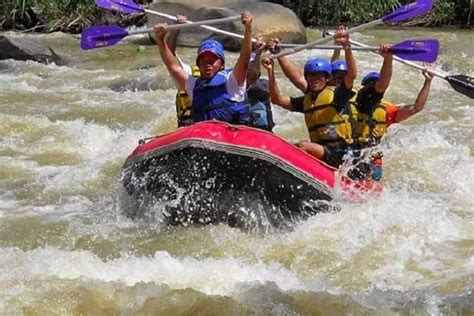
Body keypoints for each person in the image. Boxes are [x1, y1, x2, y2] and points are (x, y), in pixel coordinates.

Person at [262, 26, 357, 168]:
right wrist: (270, 71)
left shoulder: (338, 96)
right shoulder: (308, 101)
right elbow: (277, 99)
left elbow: (352, 75)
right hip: (323, 151)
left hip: (341, 153)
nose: (314, 79)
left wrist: (346, 46)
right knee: (286, 145)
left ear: (327, 79)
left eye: (319, 76)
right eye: (311, 76)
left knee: (304, 146)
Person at [154, 11, 253, 125]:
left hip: (231, 133)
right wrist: (160, 40)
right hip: (204, 136)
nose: (208, 64)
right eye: (204, 60)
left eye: (213, 60)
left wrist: (248, 28)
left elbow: (244, 59)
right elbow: (172, 66)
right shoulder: (193, 84)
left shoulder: (233, 81)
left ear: (222, 64)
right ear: (198, 63)